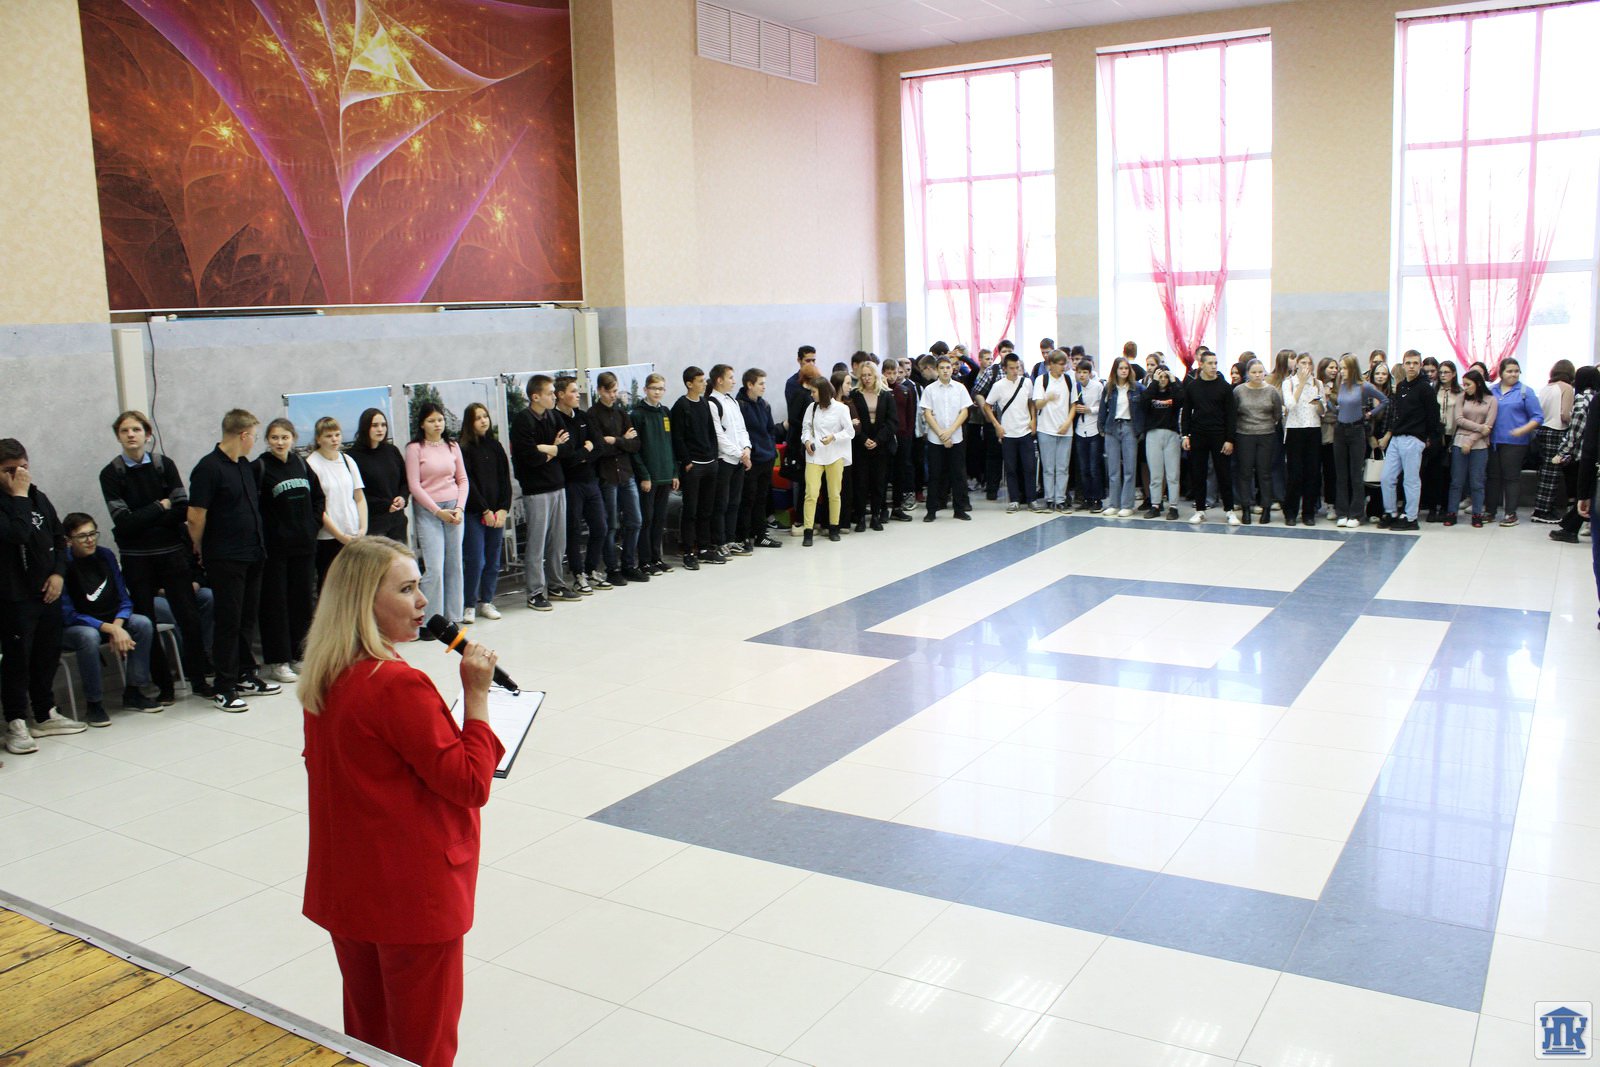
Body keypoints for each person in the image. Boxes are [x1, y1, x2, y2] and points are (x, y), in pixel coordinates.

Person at [300, 536, 503, 1067]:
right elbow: (470, 783)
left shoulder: (325, 674)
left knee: (369, 1036)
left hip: (351, 886)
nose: (422, 602)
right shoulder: (395, 684)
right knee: (423, 1046)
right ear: (364, 601)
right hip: (412, 896)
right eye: (407, 589)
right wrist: (477, 696)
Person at [100, 410, 210, 699]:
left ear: (147, 434)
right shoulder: (110, 474)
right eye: (124, 431)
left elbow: (182, 509)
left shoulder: (164, 465)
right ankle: (164, 687)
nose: (131, 435)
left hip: (172, 555)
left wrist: (145, 518)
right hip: (136, 561)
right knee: (146, 622)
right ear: (118, 436)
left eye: (136, 429)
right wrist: (159, 507)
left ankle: (199, 680)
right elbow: (124, 523)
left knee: (189, 617)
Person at [190, 411, 280, 711]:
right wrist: (199, 548)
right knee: (228, 621)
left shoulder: (243, 465)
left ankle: (245, 673)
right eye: (253, 435)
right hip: (225, 556)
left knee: (246, 619)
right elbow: (196, 515)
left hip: (252, 552)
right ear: (243, 435)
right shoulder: (208, 468)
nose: (254, 441)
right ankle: (224, 686)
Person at [0, 441, 85, 753]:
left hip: (47, 592)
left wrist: (59, 574)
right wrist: (19, 496)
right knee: (18, 659)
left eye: (23, 468)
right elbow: (17, 534)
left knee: (46, 654)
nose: (19, 475)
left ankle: (44, 712)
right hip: (14, 596)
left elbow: (59, 540)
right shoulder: (17, 499)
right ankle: (16, 721)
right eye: (9, 470)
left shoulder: (39, 497)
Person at [58, 512, 162, 725]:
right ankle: (94, 703)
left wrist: (118, 625)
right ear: (68, 541)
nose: (90, 540)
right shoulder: (63, 564)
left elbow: (124, 599)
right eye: (82, 536)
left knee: (142, 623)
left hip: (110, 619)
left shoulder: (105, 555)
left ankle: (134, 691)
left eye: (93, 533)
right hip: (76, 626)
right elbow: (68, 614)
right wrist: (110, 628)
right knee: (88, 636)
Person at [254, 418, 323, 683]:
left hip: (304, 547)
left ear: (293, 438)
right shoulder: (260, 467)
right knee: (276, 605)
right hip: (275, 550)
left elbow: (318, 498)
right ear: (267, 440)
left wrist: (312, 525)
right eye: (274, 438)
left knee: (302, 602)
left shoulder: (301, 464)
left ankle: (300, 655)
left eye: (284, 437)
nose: (280, 442)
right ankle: (278, 661)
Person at [509, 375, 575, 611]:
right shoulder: (522, 421)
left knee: (558, 541)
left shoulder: (554, 416)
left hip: (557, 484)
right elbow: (529, 458)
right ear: (535, 396)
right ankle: (535, 591)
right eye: (549, 393)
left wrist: (548, 448)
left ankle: (556, 585)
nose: (553, 397)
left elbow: (568, 448)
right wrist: (554, 449)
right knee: (537, 543)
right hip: (536, 490)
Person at [406, 402, 469, 624]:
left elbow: (462, 479)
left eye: (440, 420)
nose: (437, 424)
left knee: (455, 564)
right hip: (429, 511)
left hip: (454, 509)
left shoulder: (452, 446)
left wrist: (459, 508)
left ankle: (453, 616)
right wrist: (437, 511)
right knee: (434, 567)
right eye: (431, 420)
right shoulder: (414, 448)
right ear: (422, 424)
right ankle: (430, 620)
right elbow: (414, 486)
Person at [551, 377, 609, 592]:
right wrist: (586, 450)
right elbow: (566, 457)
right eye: (573, 391)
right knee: (573, 530)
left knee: (600, 527)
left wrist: (584, 454)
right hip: (570, 483)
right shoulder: (554, 420)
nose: (578, 395)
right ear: (560, 395)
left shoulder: (584, 417)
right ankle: (578, 574)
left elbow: (600, 446)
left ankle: (591, 569)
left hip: (590, 481)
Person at [588, 374, 646, 584]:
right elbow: (600, 448)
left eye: (615, 391)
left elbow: (635, 444)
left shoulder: (621, 413)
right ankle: (612, 568)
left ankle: (629, 564)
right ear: (600, 390)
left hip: (626, 472)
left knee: (635, 520)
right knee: (611, 524)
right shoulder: (592, 415)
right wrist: (622, 441)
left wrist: (615, 440)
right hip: (607, 475)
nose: (613, 395)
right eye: (609, 391)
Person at [458, 402, 513, 621]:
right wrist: (485, 510)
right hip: (475, 513)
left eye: (485, 416)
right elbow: (468, 482)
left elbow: (505, 479)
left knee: (493, 560)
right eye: (478, 418)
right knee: (476, 560)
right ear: (469, 423)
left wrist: (503, 508)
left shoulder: (495, 446)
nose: (483, 421)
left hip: (497, 513)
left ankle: (487, 601)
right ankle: (469, 604)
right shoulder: (464, 448)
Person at [1375, 350, 1440, 531]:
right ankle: (1391, 512)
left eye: (1415, 363)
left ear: (1420, 365)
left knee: (1410, 480)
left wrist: (1427, 437)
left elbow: (1433, 416)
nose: (1411, 366)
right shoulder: (1402, 386)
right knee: (1386, 477)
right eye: (1408, 363)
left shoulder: (1425, 388)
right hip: (1396, 437)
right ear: (1403, 365)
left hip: (1413, 438)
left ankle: (1411, 518)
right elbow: (1397, 413)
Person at [306, 417, 368, 591]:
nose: (334, 439)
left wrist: (363, 528)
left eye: (337, 435)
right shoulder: (312, 464)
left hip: (354, 533)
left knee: (356, 585)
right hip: (328, 537)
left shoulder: (347, 460)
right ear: (318, 439)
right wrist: (339, 535)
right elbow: (317, 507)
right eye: (328, 436)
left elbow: (359, 497)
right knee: (331, 586)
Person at [1329, 356, 1388, 528]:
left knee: (1356, 474)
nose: (1341, 372)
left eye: (1345, 368)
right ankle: (1342, 512)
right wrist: (1328, 404)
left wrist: (1370, 413)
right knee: (1341, 474)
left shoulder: (1364, 386)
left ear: (1353, 368)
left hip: (1356, 430)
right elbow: (1340, 408)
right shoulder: (1341, 385)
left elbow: (1385, 400)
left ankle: (1356, 513)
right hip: (1340, 430)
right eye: (1340, 368)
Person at [1179, 351, 1237, 525]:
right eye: (1210, 363)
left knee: (1224, 473)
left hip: (1219, 435)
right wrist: (1185, 435)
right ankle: (1200, 510)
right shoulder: (1193, 387)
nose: (1213, 366)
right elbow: (1186, 413)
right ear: (1201, 365)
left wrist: (1230, 439)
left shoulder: (1224, 387)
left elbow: (1231, 415)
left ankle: (1229, 510)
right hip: (1198, 434)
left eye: (1215, 363)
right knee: (1198, 473)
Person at [1486, 357, 1544, 526]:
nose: (1513, 374)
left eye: (1516, 371)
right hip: (1492, 441)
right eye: (1509, 371)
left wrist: (1522, 430)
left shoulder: (1525, 392)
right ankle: (1490, 511)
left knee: (1511, 478)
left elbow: (1538, 417)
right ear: (1501, 373)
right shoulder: (1491, 390)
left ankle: (1511, 513)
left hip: (1515, 443)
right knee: (1492, 477)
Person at [671, 366, 720, 569]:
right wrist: (686, 461)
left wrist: (714, 456)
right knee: (690, 510)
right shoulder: (681, 406)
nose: (704, 384)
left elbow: (711, 431)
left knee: (706, 509)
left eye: (704, 380)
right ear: (689, 384)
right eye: (700, 381)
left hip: (709, 462)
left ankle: (704, 548)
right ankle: (688, 551)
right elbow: (677, 437)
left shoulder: (704, 403)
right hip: (693, 465)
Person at [982, 351, 1040, 514]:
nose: (1015, 371)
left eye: (1017, 367)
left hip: (1025, 431)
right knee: (1011, 468)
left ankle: (1032, 499)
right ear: (1005, 368)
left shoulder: (1027, 382)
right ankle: (1014, 500)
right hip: (1008, 433)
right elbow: (987, 405)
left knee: (1029, 467)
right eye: (1012, 368)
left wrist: (1033, 419)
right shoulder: (998, 386)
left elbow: (1031, 402)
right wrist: (996, 425)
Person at [631, 374, 677, 575]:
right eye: (653, 388)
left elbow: (670, 444)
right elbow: (635, 450)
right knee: (647, 520)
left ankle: (657, 558)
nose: (657, 392)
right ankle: (644, 561)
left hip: (665, 474)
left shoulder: (665, 412)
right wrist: (644, 475)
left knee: (659, 520)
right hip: (649, 478)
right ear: (645, 390)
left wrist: (674, 472)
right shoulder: (637, 415)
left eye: (661, 388)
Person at [1548, 367, 1600, 544]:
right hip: (1592, 455)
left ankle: (1570, 528)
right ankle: (1570, 526)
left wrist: (1563, 452)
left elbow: (1576, 430)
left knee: (1584, 494)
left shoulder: (1583, 398)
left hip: (1584, 454)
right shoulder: (1595, 396)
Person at [800, 377, 855, 544]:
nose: (811, 395)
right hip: (814, 455)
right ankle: (808, 531)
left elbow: (850, 432)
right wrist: (807, 441)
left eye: (814, 391)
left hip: (835, 455)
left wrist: (834, 437)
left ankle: (834, 527)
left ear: (823, 392)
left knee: (834, 493)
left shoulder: (842, 409)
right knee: (811, 493)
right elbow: (806, 428)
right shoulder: (812, 408)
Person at [918, 356, 972, 522]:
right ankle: (931, 511)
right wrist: (941, 433)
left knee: (958, 474)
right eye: (942, 368)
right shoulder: (930, 389)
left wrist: (950, 431)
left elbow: (964, 411)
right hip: (936, 438)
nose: (945, 371)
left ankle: (959, 509)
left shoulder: (960, 388)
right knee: (935, 475)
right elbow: (927, 413)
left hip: (956, 437)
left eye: (948, 367)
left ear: (952, 369)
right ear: (937, 369)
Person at [1233, 359, 1286, 525]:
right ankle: (1246, 508)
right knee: (1245, 472)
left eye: (1260, 372)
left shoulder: (1271, 391)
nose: (1257, 375)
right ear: (1248, 374)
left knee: (1265, 472)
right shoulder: (1239, 391)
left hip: (1266, 434)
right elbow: (1234, 412)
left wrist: (1268, 424)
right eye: (1254, 372)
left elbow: (1277, 413)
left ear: (1264, 373)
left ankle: (1266, 508)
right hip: (1244, 434)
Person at [707, 364, 752, 557]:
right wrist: (739, 453)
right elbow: (719, 436)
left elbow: (741, 429)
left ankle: (731, 539)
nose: (734, 381)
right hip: (724, 460)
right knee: (721, 503)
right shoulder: (712, 403)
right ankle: (720, 541)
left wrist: (747, 448)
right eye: (730, 377)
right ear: (719, 380)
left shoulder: (732, 401)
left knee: (735, 502)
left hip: (739, 460)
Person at [1445, 369, 1498, 528]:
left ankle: (1477, 514)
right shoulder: (1461, 398)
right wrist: (1479, 428)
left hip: (1479, 445)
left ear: (1478, 383)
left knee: (1477, 482)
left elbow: (1488, 427)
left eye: (1468, 384)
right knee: (1457, 481)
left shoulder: (1491, 400)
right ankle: (1452, 512)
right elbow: (1459, 419)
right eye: (1464, 384)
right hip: (1459, 443)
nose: (1465, 387)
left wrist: (1471, 440)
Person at [348, 409, 410, 544]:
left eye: (383, 425)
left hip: (397, 522)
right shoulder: (352, 456)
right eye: (375, 425)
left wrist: (403, 498)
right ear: (365, 427)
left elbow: (405, 481)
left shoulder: (392, 451)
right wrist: (385, 506)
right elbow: (356, 494)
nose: (380, 429)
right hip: (373, 525)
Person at [737, 368, 783, 549]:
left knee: (761, 499)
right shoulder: (740, 405)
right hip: (751, 459)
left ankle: (761, 534)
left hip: (767, 458)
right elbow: (741, 432)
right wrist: (751, 450)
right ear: (750, 385)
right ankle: (743, 536)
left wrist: (771, 448)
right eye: (761, 383)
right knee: (748, 499)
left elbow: (770, 430)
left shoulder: (764, 405)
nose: (764, 387)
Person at [850, 358, 897, 530]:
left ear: (875, 375)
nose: (866, 378)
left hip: (881, 445)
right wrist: (863, 439)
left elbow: (892, 421)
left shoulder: (886, 395)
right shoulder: (855, 395)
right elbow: (851, 420)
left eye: (869, 375)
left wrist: (878, 440)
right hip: (860, 444)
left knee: (879, 482)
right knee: (861, 482)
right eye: (863, 375)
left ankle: (876, 516)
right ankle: (861, 517)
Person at [1279, 353, 1324, 527]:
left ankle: (1308, 512)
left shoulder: (1318, 383)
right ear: (1296, 365)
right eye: (1303, 362)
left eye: (1309, 363)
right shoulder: (1289, 383)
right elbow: (1290, 405)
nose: (1306, 366)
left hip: (1313, 428)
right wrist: (1302, 383)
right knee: (1295, 473)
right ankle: (1290, 512)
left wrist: (1319, 404)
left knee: (1312, 472)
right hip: (1295, 429)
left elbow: (1323, 411)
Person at [1031, 349, 1076, 513]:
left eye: (1065, 364)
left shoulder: (1069, 380)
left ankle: (1061, 499)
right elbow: (1037, 405)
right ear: (1051, 364)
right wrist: (1047, 398)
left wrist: (1067, 423)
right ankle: (1049, 499)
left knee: (1063, 467)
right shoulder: (1041, 380)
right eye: (1060, 364)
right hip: (1046, 429)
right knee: (1048, 467)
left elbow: (1073, 405)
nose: (1063, 367)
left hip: (1065, 430)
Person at [1533, 360, 1577, 523]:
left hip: (1542, 430)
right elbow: (1565, 414)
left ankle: (1541, 507)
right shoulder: (1567, 388)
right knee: (1552, 472)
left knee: (1544, 470)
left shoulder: (1546, 388)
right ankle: (1543, 511)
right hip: (1557, 430)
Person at [1099, 356, 1143, 517]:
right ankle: (1114, 504)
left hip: (1129, 427)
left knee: (1130, 469)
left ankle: (1127, 504)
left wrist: (1141, 428)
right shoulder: (1109, 388)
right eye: (1121, 368)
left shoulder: (1137, 388)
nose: (1124, 371)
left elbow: (1145, 405)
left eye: (1126, 368)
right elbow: (1103, 408)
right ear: (1115, 370)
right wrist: (1101, 427)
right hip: (1112, 427)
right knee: (1113, 469)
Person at [1142, 363, 1183, 520]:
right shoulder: (1151, 392)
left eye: (1166, 377)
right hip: (1153, 434)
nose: (1163, 379)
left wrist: (1174, 381)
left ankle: (1173, 506)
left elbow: (1182, 400)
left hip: (1171, 434)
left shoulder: (1174, 392)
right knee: (1156, 474)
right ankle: (1155, 505)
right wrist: (1154, 382)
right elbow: (1143, 401)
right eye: (1161, 377)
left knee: (1173, 474)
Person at [1423, 360, 1461, 523]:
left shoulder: (1459, 392)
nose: (1443, 375)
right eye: (1441, 372)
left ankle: (1446, 507)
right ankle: (1432, 508)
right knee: (1433, 472)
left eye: (1447, 372)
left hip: (1453, 435)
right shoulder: (1433, 390)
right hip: (1436, 435)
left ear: (1454, 374)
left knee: (1449, 473)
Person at [881, 359, 917, 521]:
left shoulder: (905, 391)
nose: (891, 376)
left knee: (900, 472)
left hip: (903, 437)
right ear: (883, 373)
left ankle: (897, 506)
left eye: (894, 373)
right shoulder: (880, 391)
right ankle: (882, 508)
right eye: (888, 373)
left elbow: (910, 415)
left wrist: (908, 435)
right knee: (883, 473)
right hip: (885, 437)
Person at [1073, 359, 1107, 513]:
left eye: (1085, 372)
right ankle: (1086, 498)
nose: (1082, 375)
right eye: (1079, 372)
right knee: (1083, 467)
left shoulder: (1098, 386)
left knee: (1094, 467)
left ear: (1090, 373)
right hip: (1080, 430)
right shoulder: (1075, 387)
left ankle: (1097, 499)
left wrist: (1090, 409)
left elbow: (1103, 407)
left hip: (1094, 430)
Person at [1317, 357, 1342, 520]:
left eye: (1336, 368)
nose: (1334, 370)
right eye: (1330, 367)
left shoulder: (1340, 387)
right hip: (1316, 431)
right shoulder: (1316, 385)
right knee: (1314, 471)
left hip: (1333, 432)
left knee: (1331, 471)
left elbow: (1339, 410)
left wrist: (1329, 398)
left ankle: (1331, 504)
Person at [784, 345, 820, 414]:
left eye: (813, 360)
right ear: (799, 360)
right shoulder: (792, 383)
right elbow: (794, 410)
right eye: (808, 361)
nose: (811, 364)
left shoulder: (819, 380)